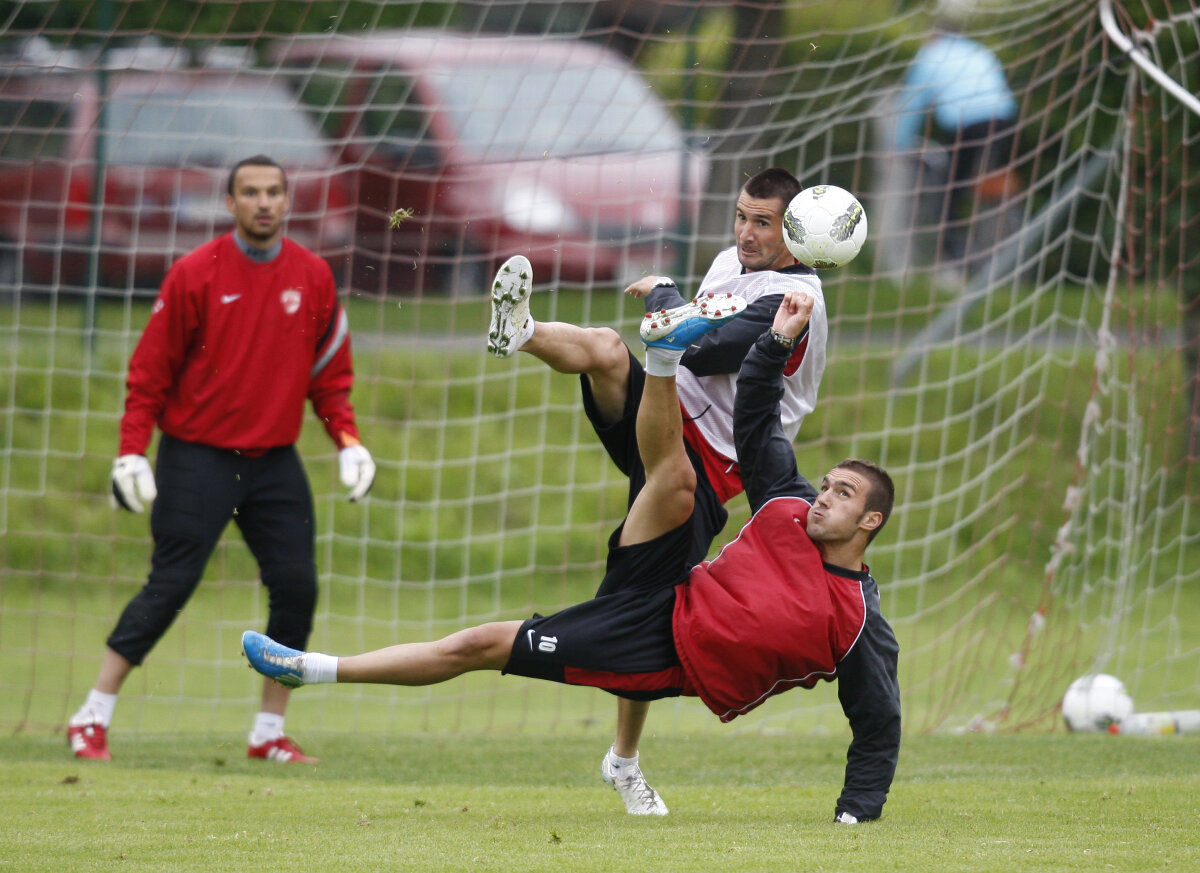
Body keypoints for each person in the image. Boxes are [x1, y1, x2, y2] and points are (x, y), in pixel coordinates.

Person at [244, 288, 901, 823]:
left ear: (870, 521)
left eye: (842, 494)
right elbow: (755, 410)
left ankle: (312, 669)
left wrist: (856, 811)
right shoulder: (786, 504)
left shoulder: (856, 619)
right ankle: (662, 356)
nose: (822, 496)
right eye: (826, 484)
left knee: (479, 644)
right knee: (676, 480)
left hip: (659, 648)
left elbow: (878, 718)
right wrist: (778, 340)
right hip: (674, 588)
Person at [486, 167, 828, 814]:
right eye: (741, 216)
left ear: (796, 233)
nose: (745, 233)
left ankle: (624, 760)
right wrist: (672, 305)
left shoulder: (795, 299)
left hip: (707, 467)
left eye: (762, 223)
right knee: (606, 348)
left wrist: (665, 292)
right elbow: (680, 337)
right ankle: (520, 331)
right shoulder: (729, 263)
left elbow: (699, 348)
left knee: (648, 618)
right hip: (664, 419)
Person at [66, 154, 376, 764]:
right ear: (230, 203)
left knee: (297, 586)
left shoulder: (313, 275)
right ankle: (91, 715)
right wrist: (131, 453)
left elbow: (329, 377)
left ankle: (268, 732)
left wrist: (349, 440)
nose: (263, 202)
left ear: (287, 201)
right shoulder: (194, 273)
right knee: (171, 584)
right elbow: (149, 374)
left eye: (273, 192)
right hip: (196, 456)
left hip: (273, 461)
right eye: (250, 192)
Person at [891, 5, 1018, 279]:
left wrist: (899, 146)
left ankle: (954, 255)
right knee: (989, 183)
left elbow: (911, 104)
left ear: (935, 36)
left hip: (968, 123)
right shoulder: (976, 49)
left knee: (951, 188)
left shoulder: (930, 55)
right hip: (1004, 118)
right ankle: (999, 245)